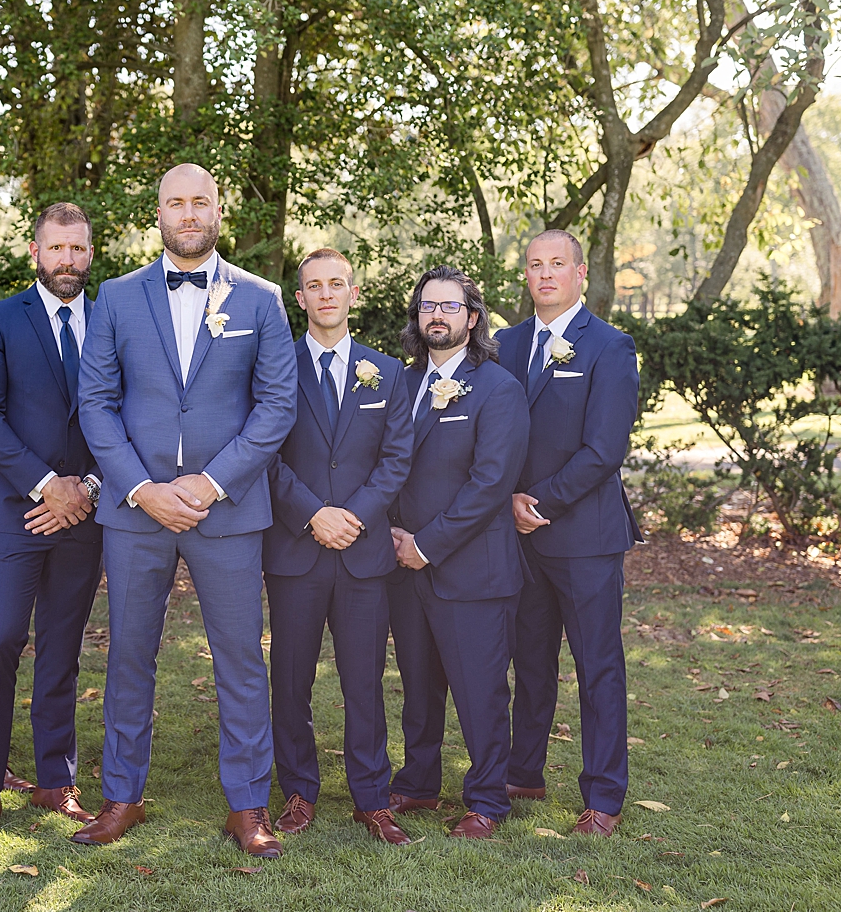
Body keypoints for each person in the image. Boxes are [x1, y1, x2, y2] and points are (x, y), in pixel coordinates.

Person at [77, 163, 297, 857]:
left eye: (201, 200)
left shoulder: (261, 299)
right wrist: (143, 487)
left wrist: (210, 483)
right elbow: (96, 403)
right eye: (177, 201)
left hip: (226, 511)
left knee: (239, 659)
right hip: (136, 509)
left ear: (218, 208)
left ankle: (248, 806)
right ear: (160, 212)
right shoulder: (114, 296)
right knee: (129, 656)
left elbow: (277, 405)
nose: (189, 212)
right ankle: (122, 797)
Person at [0, 202, 105, 843]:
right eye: (55, 249)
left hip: (87, 514)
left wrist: (87, 487)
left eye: (78, 249)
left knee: (63, 649)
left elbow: (128, 412)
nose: (67, 260)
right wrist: (47, 485)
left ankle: (54, 779)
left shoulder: (114, 318)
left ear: (90, 253)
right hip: (15, 512)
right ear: (34, 253)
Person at [263, 248, 413, 845]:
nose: (327, 294)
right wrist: (312, 514)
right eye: (314, 286)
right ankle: (299, 791)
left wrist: (352, 516)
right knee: (291, 677)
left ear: (354, 293)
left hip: (362, 551)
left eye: (338, 284)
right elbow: (265, 455)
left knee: (364, 680)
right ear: (300, 299)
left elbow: (397, 458)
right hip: (296, 551)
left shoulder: (388, 373)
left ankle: (373, 798)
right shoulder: (274, 368)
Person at [500, 229, 641, 837]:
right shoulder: (503, 345)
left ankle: (603, 797)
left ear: (581, 274)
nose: (546, 274)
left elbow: (606, 448)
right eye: (536, 265)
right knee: (529, 662)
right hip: (515, 534)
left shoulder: (609, 347)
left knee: (597, 666)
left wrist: (542, 501)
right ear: (526, 276)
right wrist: (503, 498)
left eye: (558, 264)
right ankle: (524, 770)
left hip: (584, 536)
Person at [385, 266, 529, 839]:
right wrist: (396, 539)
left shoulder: (499, 388)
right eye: (426, 306)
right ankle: (419, 780)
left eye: (449, 306)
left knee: (479, 690)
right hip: (403, 566)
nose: (436, 316)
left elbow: (491, 484)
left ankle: (488, 799)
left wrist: (426, 544)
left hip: (472, 569)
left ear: (472, 317)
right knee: (418, 684)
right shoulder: (400, 381)